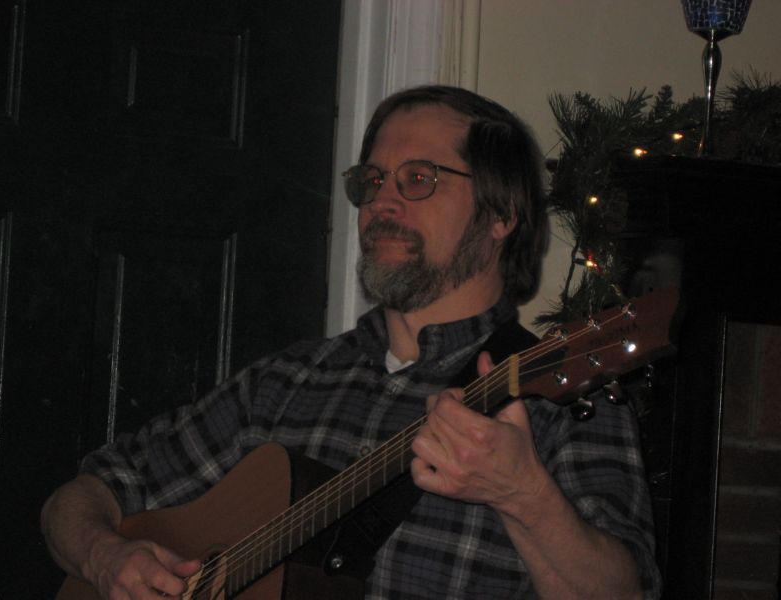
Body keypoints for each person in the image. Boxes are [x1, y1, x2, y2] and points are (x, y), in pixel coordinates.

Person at [41, 85, 661, 599]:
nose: (382, 201)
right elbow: (86, 494)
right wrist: (103, 556)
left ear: (501, 214)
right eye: (373, 180)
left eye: (418, 178)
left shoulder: (562, 400)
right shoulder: (284, 383)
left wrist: (522, 495)